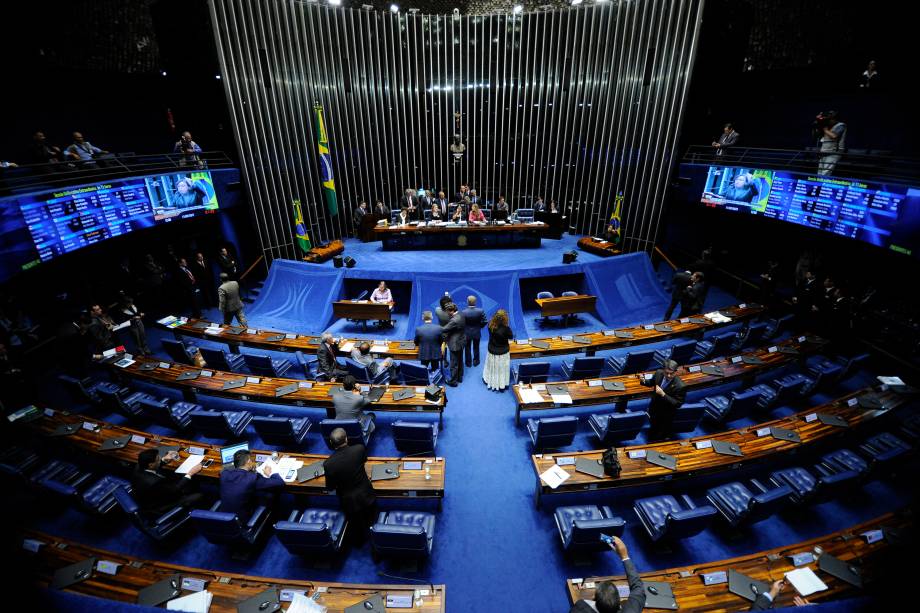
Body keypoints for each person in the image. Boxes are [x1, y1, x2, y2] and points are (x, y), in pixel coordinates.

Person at [323, 427, 377, 540]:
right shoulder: (359, 449)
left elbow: (330, 487)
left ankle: (359, 541)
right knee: (372, 519)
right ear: (346, 439)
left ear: (331, 443)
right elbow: (363, 462)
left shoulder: (328, 464)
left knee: (356, 524)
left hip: (349, 502)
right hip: (367, 495)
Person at [569, 535, 645, 613]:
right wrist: (625, 556)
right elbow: (638, 588)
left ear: (594, 598)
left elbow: (639, 590)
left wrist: (583, 595)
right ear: (618, 602)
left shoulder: (579, 608)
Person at [131, 448, 204, 516]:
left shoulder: (139, 467)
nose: (160, 459)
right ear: (151, 464)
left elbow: (152, 468)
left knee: (186, 481)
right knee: (199, 495)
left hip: (157, 494)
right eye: (158, 459)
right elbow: (174, 489)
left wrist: (164, 460)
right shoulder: (153, 482)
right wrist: (190, 473)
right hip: (161, 506)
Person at [219, 449, 284, 522]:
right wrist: (270, 473)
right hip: (240, 522)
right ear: (248, 461)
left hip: (222, 519)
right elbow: (279, 483)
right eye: (252, 461)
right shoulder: (251, 478)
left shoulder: (224, 474)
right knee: (270, 495)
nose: (253, 463)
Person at [640, 359, 686, 441]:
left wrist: (663, 394)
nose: (668, 375)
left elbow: (678, 404)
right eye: (666, 373)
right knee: (653, 425)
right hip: (654, 407)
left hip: (666, 414)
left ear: (676, 372)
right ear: (663, 370)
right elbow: (651, 382)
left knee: (660, 432)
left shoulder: (680, 386)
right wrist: (643, 381)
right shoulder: (658, 373)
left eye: (671, 374)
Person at [483, 309, 513, 391]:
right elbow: (511, 337)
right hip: (502, 352)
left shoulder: (490, 324)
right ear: (504, 318)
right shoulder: (506, 329)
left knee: (492, 366)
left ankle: (491, 381)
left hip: (492, 349)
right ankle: (501, 383)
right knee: (501, 368)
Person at [442, 302, 466, 386]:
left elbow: (444, 329)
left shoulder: (454, 320)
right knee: (460, 360)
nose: (446, 313)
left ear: (450, 311)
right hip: (461, 341)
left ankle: (453, 382)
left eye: (447, 311)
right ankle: (459, 378)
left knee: (453, 363)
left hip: (454, 344)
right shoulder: (461, 314)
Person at [816, 111, 846, 176]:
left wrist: (825, 130)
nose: (828, 121)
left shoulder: (841, 125)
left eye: (829, 120)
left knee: (825, 174)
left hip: (834, 153)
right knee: (819, 173)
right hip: (824, 152)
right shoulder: (827, 126)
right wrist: (818, 124)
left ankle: (823, 185)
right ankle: (818, 185)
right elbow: (816, 136)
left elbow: (834, 136)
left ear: (835, 119)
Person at [461, 295, 486, 367]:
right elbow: (485, 321)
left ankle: (468, 363)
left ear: (467, 302)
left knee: (467, 348)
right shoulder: (480, 311)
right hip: (477, 332)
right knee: (476, 347)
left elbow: (461, 323)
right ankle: (476, 361)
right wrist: (479, 327)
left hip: (467, 333)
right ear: (475, 302)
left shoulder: (463, 312)